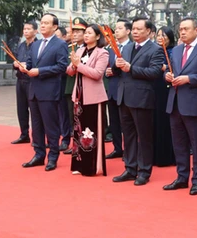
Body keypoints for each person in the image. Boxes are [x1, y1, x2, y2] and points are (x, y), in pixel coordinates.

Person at [163, 17, 197, 196]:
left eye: (186, 29)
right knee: (179, 144)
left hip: (195, 103)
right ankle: (181, 177)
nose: (182, 32)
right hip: (175, 102)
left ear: (196, 30)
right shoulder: (176, 50)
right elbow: (173, 71)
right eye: (180, 29)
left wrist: (189, 79)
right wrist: (169, 76)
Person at [111, 16, 163, 186]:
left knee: (144, 136)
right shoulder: (127, 48)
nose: (135, 32)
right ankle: (130, 168)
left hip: (142, 98)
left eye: (139, 29)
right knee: (128, 135)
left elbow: (154, 72)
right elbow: (118, 71)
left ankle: (144, 171)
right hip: (124, 96)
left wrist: (130, 68)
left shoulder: (155, 49)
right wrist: (117, 65)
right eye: (133, 28)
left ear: (148, 31)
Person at [19, 13, 69, 171]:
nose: (42, 25)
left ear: (55, 27)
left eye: (46, 23)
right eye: (42, 23)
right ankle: (39, 154)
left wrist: (40, 71)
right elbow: (29, 63)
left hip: (49, 91)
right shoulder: (35, 44)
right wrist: (23, 67)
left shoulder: (60, 44)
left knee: (51, 126)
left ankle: (53, 156)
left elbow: (61, 67)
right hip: (33, 91)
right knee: (37, 126)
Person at [66, 24, 109, 176]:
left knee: (90, 132)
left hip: (94, 97)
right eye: (86, 33)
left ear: (98, 36)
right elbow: (70, 72)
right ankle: (79, 164)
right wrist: (73, 64)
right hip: (78, 95)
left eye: (90, 33)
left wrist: (79, 65)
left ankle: (91, 166)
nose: (86, 35)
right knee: (78, 130)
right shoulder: (79, 50)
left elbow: (97, 74)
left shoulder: (102, 53)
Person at [105, 18, 132, 159]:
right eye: (115, 28)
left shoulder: (132, 47)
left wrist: (115, 70)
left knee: (127, 124)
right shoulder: (110, 49)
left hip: (127, 90)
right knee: (114, 122)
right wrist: (107, 72)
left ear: (128, 31)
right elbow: (106, 67)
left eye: (120, 28)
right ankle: (117, 148)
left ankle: (129, 151)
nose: (116, 30)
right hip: (113, 89)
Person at [63, 18, 88, 154]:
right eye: (74, 31)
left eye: (79, 31)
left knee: (83, 118)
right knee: (72, 117)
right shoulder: (69, 48)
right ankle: (74, 145)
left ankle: (84, 144)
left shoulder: (89, 48)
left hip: (84, 87)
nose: (76, 34)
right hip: (70, 86)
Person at [152, 26, 176, 167]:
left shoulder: (173, 52)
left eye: (164, 35)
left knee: (166, 122)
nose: (161, 37)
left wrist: (165, 68)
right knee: (155, 121)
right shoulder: (155, 50)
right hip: (154, 89)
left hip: (167, 89)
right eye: (159, 35)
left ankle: (167, 156)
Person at [11, 20, 38, 144]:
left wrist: (27, 65)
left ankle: (37, 136)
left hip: (32, 81)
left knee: (34, 109)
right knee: (21, 108)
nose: (26, 31)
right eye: (24, 29)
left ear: (35, 31)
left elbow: (39, 63)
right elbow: (15, 59)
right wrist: (15, 64)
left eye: (29, 29)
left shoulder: (38, 45)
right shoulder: (21, 45)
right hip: (20, 79)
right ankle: (24, 134)